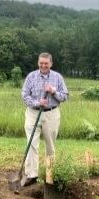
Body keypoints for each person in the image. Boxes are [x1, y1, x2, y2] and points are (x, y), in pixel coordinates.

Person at [21, 52, 69, 186]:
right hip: (33, 113)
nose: (43, 65)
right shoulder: (31, 76)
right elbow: (24, 95)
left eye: (46, 63)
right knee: (31, 144)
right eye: (41, 63)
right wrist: (37, 102)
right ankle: (31, 175)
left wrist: (54, 91)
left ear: (51, 64)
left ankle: (50, 174)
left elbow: (65, 96)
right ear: (38, 63)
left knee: (50, 145)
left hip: (51, 114)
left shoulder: (57, 77)